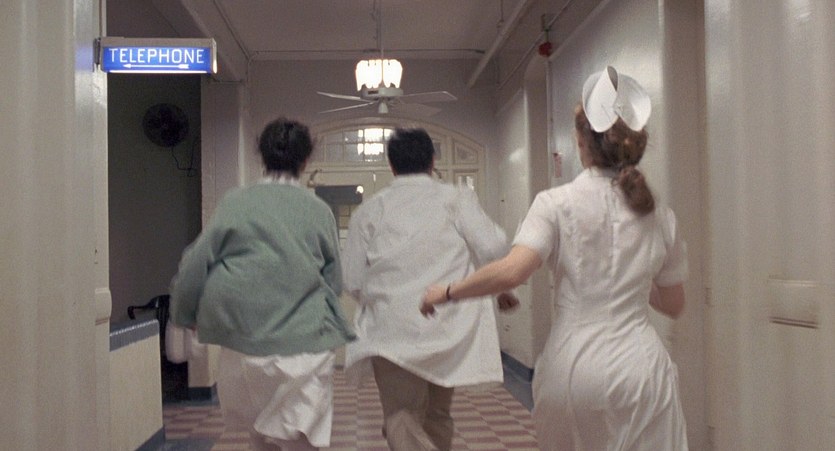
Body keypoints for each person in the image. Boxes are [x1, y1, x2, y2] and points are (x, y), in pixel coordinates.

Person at [421, 66, 689, 450]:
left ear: (581, 142)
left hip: (577, 368)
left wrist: (446, 291)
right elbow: (674, 304)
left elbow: (512, 272)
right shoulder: (659, 215)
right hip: (643, 371)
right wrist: (630, 276)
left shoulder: (556, 203)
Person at [168, 118, 355, 451]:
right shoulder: (318, 211)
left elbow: (195, 263)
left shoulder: (236, 203)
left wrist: (184, 314)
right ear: (305, 160)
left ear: (262, 156)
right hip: (305, 344)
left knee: (259, 433)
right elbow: (334, 281)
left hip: (245, 342)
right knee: (299, 435)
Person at [341, 128, 518, 451]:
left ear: (391, 165)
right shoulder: (455, 199)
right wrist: (488, 285)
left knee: (401, 415)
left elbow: (352, 279)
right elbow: (493, 246)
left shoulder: (370, 210)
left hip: (390, 331)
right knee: (437, 415)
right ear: (432, 161)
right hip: (445, 329)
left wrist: (382, 298)